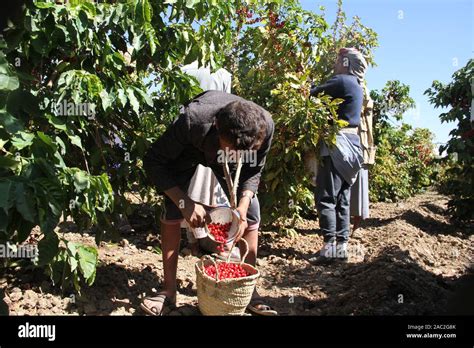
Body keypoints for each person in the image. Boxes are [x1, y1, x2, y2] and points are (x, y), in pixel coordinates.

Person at [141, 90, 277, 315]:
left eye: (245, 153)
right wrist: (184, 202)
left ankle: (248, 290)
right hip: (187, 152)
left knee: (251, 211)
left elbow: (254, 170)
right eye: (232, 150)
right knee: (174, 208)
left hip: (228, 150)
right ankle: (168, 291)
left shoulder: (265, 126)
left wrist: (242, 205)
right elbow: (154, 162)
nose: (238, 157)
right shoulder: (192, 120)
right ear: (216, 127)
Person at [309, 47, 368, 264]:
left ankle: (329, 247)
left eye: (337, 60)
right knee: (342, 198)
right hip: (353, 145)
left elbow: (311, 93)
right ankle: (342, 246)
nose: (334, 64)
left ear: (346, 63)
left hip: (338, 144)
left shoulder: (342, 81)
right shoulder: (357, 86)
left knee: (325, 196)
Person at [350, 85, 376, 238]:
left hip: (360, 141)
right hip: (341, 140)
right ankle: (339, 226)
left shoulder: (362, 88)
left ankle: (356, 225)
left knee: (359, 184)